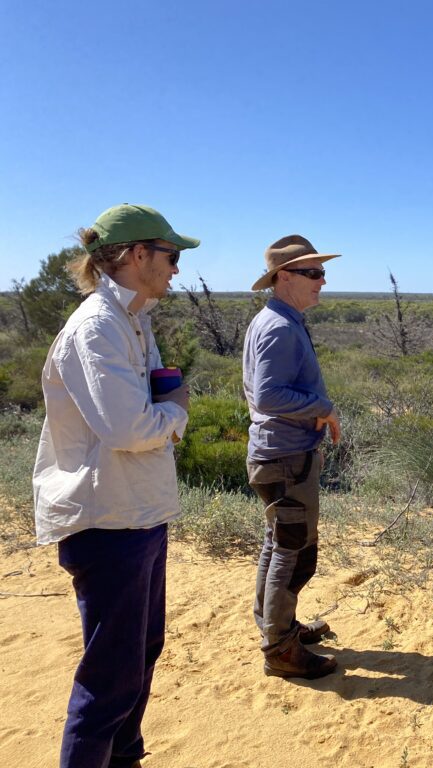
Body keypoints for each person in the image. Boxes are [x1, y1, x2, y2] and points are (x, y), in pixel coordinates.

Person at [33, 203, 197, 768]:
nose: (176, 269)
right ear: (137, 255)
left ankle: (123, 758)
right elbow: (129, 427)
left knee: (138, 658)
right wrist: (177, 411)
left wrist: (165, 404)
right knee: (109, 680)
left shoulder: (131, 320)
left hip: (139, 514)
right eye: (171, 256)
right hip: (110, 523)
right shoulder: (97, 326)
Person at [243, 234, 342, 679]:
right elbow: (267, 394)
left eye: (321, 272)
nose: (322, 280)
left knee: (280, 543)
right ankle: (279, 648)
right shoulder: (280, 326)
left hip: (280, 454)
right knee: (293, 551)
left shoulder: (280, 319)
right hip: (285, 457)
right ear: (284, 277)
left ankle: (277, 627)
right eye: (313, 273)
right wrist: (321, 408)